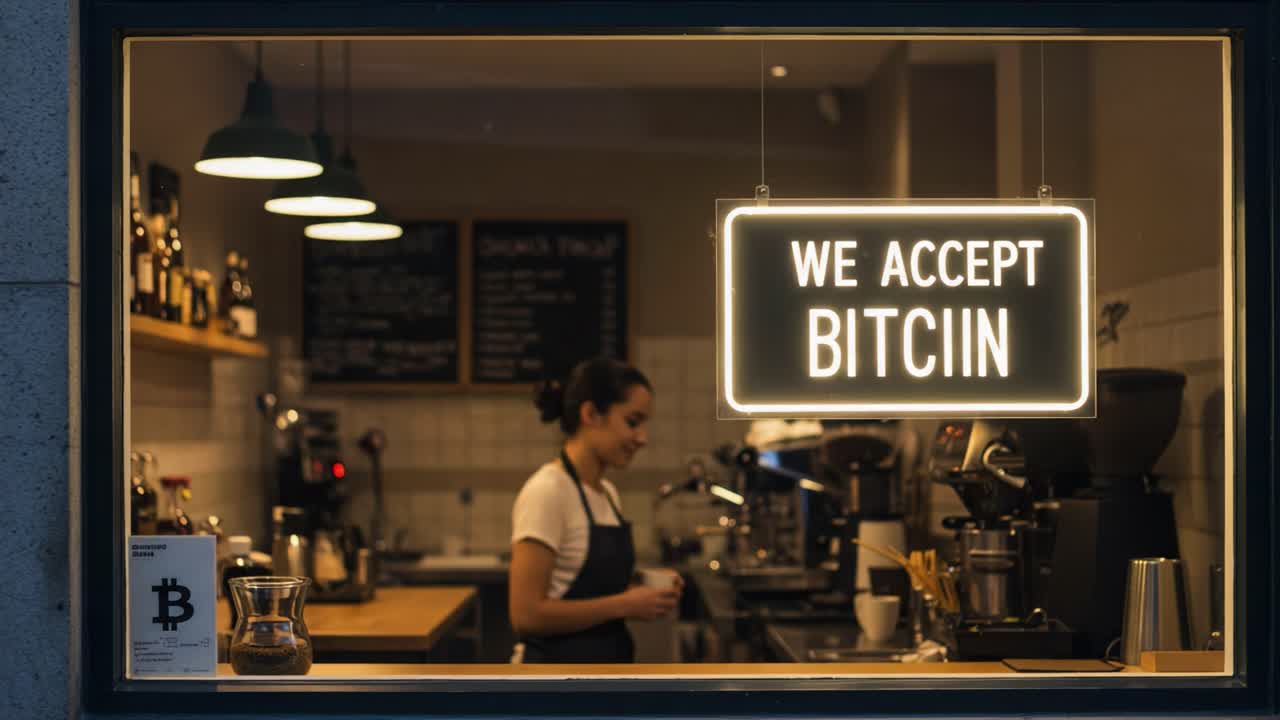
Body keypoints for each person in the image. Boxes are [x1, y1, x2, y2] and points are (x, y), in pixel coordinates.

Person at [508, 357, 681, 664]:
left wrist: (643, 590)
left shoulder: (607, 493)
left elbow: (592, 589)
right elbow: (526, 614)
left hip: (603, 679)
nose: (643, 438)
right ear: (591, 414)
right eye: (632, 421)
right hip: (551, 685)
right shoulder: (548, 491)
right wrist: (625, 605)